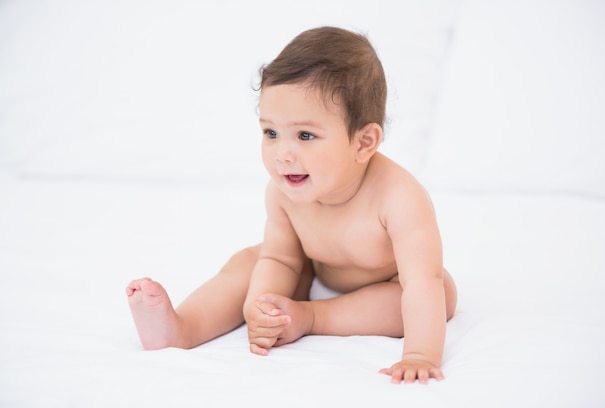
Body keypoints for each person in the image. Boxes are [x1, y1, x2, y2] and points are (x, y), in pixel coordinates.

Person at [126, 26, 457, 384]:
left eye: (305, 135)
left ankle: (313, 317)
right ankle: (183, 328)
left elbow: (422, 282)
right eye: (271, 133)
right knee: (250, 261)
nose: (282, 155)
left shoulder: (400, 198)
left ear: (364, 142)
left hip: (387, 282)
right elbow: (281, 259)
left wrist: (419, 354)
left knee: (437, 293)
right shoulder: (283, 192)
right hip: (312, 269)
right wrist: (260, 305)